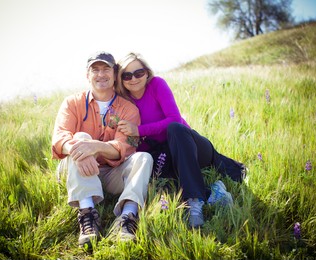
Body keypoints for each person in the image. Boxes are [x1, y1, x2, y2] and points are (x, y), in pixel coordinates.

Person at [116, 52, 246, 228]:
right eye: (127, 75)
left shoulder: (157, 85)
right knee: (158, 176)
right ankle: (215, 191)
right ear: (121, 79)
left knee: (174, 129)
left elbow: (175, 119)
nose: (133, 79)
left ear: (146, 72)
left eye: (138, 73)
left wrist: (139, 130)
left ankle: (194, 202)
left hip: (191, 146)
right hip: (165, 155)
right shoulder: (124, 103)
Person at [52, 51, 153, 247]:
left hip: (111, 174)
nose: (101, 74)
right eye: (95, 70)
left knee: (144, 158)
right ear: (87, 75)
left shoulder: (128, 109)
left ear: (115, 74)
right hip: (75, 170)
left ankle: (127, 218)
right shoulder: (72, 103)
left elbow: (126, 147)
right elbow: (60, 137)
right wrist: (82, 149)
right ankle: (88, 214)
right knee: (79, 138)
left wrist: (96, 147)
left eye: (106, 69)